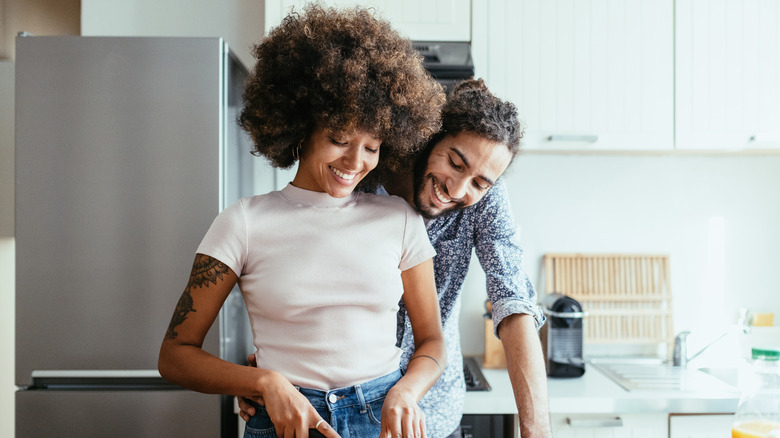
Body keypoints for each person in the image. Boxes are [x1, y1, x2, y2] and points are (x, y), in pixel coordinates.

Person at [157, 4, 448, 438]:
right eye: (339, 139)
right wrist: (262, 382)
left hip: (380, 417)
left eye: (371, 147)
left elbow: (432, 342)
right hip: (284, 419)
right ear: (301, 128)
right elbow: (174, 355)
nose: (355, 161)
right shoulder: (243, 222)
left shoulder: (400, 220)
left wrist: (406, 392)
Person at [238, 78, 553, 437]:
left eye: (479, 183)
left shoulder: (486, 198)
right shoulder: (358, 172)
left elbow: (513, 301)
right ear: (431, 138)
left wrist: (537, 430)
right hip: (334, 411)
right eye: (454, 163)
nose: (457, 188)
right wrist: (270, 375)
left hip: (429, 414)